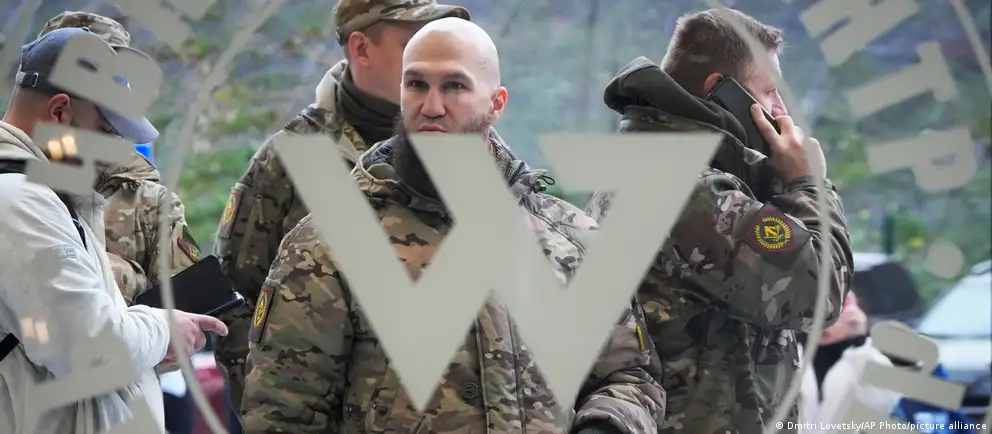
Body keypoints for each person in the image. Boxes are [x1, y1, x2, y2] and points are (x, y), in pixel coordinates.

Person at [240, 17, 665, 434]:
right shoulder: (326, 246)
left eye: (454, 86)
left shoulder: (570, 238)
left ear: (496, 104)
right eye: (416, 84)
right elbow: (281, 414)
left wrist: (604, 426)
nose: (431, 106)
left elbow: (630, 377)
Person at [583, 8, 854, 434]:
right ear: (720, 91)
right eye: (770, 92)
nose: (781, 110)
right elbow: (820, 294)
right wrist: (809, 183)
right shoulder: (690, 189)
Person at [211, 0, 475, 415]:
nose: (430, 53)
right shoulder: (290, 161)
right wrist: (277, 413)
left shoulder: (468, 143)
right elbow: (234, 302)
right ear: (361, 49)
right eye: (412, 41)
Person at [0, 28, 227, 433]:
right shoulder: (19, 200)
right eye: (105, 132)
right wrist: (163, 328)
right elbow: (91, 347)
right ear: (59, 112)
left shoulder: (41, 195)